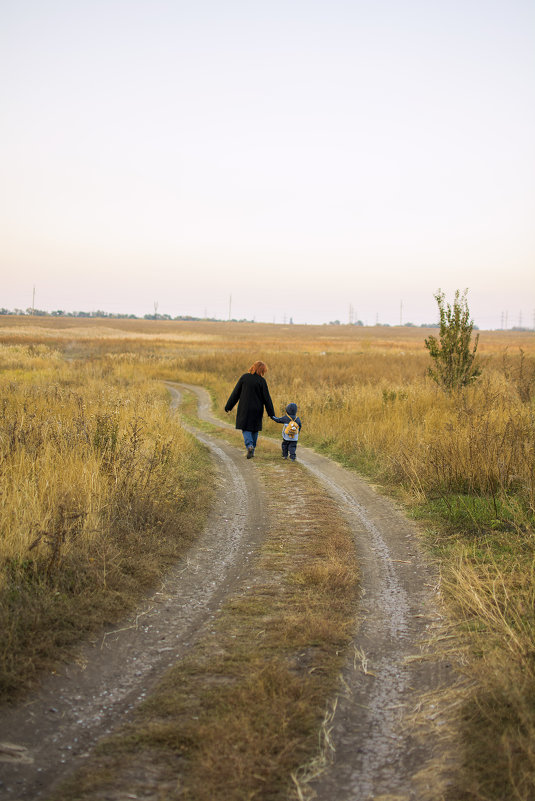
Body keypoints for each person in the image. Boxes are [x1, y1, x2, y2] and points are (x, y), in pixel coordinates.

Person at [225, 361, 275, 458]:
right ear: (262, 370)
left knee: (246, 428)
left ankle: (250, 446)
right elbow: (267, 398)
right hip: (257, 409)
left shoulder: (244, 377)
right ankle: (253, 449)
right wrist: (271, 413)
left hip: (245, 408)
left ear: (253, 367)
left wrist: (228, 406)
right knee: (254, 429)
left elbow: (236, 393)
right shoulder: (262, 381)